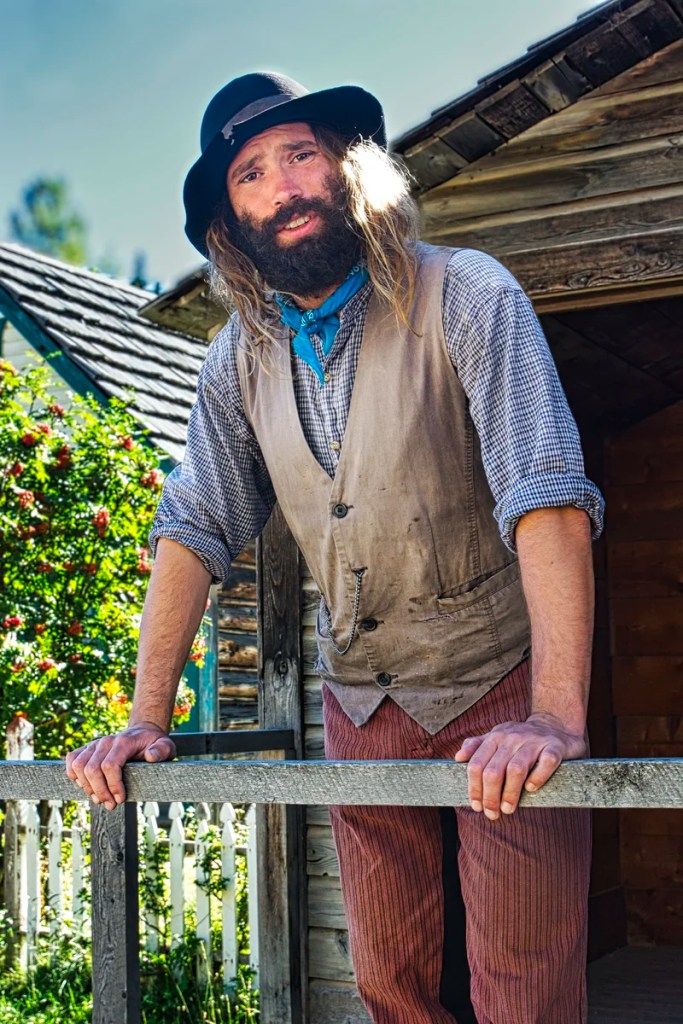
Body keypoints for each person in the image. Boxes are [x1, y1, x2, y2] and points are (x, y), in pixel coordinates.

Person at [66, 73, 605, 1024]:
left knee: (524, 989)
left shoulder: (468, 294)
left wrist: (555, 719)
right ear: (230, 216)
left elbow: (546, 497)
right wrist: (147, 715)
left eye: (301, 154)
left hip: (501, 677)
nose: (283, 185)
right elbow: (193, 527)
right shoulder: (237, 355)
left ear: (350, 167)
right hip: (361, 695)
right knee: (388, 985)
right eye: (250, 173)